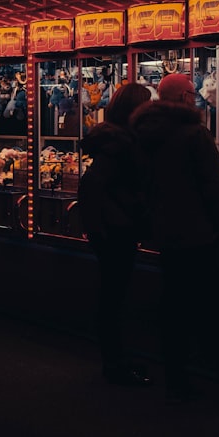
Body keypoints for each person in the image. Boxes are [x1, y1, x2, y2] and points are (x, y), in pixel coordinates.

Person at [130, 72, 219, 409]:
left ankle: (177, 379)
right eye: (192, 92)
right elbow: (215, 188)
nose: (196, 96)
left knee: (176, 310)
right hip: (201, 236)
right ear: (184, 98)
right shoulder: (194, 134)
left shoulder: (144, 134)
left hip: (168, 236)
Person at [78, 82, 154, 387]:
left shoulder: (116, 140)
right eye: (147, 103)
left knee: (113, 295)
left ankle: (116, 359)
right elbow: (94, 185)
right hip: (115, 230)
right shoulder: (120, 144)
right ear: (135, 108)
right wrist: (124, 213)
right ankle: (115, 363)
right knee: (114, 296)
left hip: (112, 228)